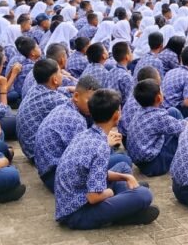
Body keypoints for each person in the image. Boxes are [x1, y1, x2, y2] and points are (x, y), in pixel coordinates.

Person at [54, 88, 159, 229]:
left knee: (123, 168)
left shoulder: (86, 134)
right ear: (116, 115)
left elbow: (94, 172)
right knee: (144, 195)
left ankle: (127, 201)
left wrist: (126, 177)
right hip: (78, 214)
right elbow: (93, 197)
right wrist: (111, 192)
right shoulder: (101, 146)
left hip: (72, 200)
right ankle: (125, 210)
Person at [34, 76, 100, 192]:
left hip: (47, 172)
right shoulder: (77, 120)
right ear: (76, 96)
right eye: (89, 100)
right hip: (57, 178)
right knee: (120, 161)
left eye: (96, 102)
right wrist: (106, 144)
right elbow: (83, 159)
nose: (93, 105)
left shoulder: (64, 107)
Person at [126, 79, 186, 176]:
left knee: (172, 111)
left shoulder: (140, 110)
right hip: (154, 165)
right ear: (158, 98)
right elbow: (184, 128)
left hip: (142, 163)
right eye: (161, 91)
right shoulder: (158, 117)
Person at [16, 59, 69, 163]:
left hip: (29, 148)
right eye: (60, 72)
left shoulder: (36, 88)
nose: (62, 74)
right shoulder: (54, 99)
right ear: (54, 79)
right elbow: (77, 106)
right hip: (38, 154)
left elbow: (57, 93)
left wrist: (68, 89)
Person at [161, 46, 188, 118]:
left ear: (181, 59)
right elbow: (187, 103)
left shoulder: (171, 71)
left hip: (162, 107)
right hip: (174, 111)